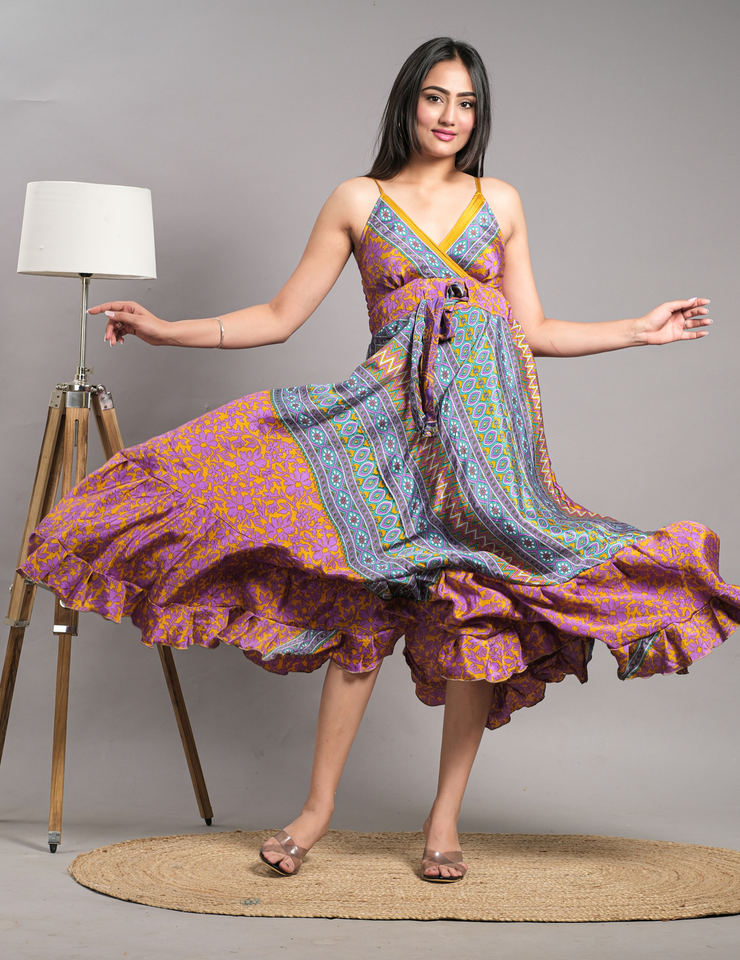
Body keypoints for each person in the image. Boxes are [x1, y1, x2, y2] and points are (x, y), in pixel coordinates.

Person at [20, 37, 740, 884]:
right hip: (391, 427)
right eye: (436, 97)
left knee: (479, 613)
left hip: (491, 444)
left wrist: (637, 331)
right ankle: (316, 811)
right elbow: (281, 315)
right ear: (409, 102)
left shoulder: (500, 200)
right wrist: (167, 330)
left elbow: (535, 330)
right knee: (361, 604)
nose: (450, 116)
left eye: (466, 103)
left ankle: (444, 820)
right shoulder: (358, 199)